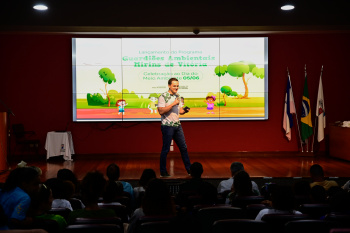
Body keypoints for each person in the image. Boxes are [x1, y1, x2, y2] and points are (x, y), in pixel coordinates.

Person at [157, 77, 191, 177]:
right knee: (166, 149)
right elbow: (161, 111)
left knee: (184, 148)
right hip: (167, 126)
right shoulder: (163, 96)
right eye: (174, 86)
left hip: (177, 126)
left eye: (177, 86)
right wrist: (173, 104)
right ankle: (163, 172)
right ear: (169, 86)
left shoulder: (178, 96)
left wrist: (184, 110)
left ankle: (189, 170)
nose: (176, 87)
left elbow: (178, 111)